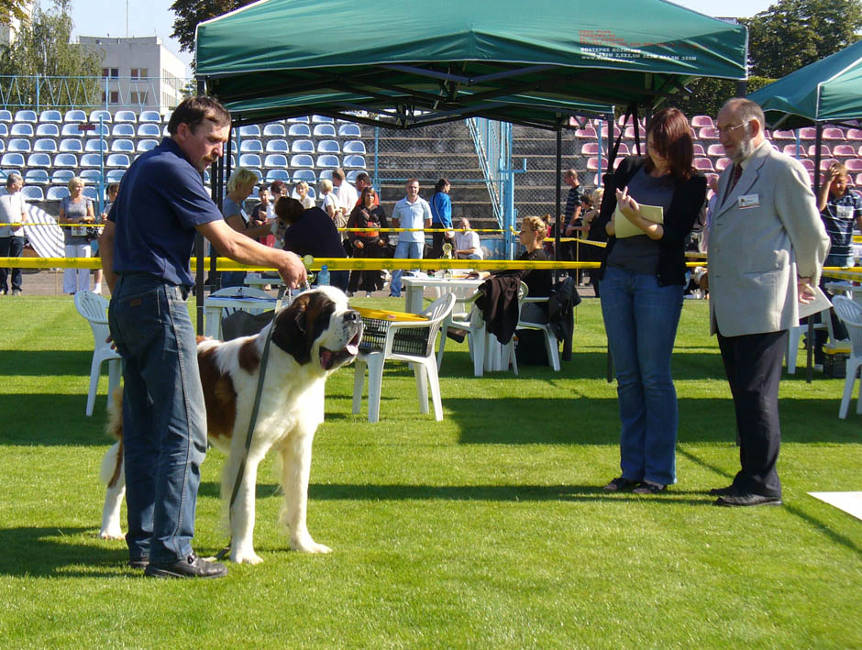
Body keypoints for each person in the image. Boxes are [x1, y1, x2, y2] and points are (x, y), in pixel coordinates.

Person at [99, 96, 307, 579]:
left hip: (130, 300)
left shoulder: (142, 165)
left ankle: (145, 546)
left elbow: (107, 239)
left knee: (145, 429)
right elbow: (228, 243)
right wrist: (283, 258)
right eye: (212, 139)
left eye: (223, 142)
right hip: (159, 299)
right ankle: (173, 552)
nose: (218, 150)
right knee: (187, 432)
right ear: (182, 131)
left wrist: (120, 299)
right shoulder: (176, 169)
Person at [707, 98, 829, 507]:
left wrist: (808, 276)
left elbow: (812, 234)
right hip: (731, 304)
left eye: (728, 128)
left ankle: (762, 484)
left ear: (754, 127)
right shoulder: (730, 173)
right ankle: (750, 476)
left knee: (757, 395)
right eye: (718, 129)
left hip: (763, 303)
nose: (721, 137)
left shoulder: (781, 169)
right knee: (744, 395)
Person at [596, 107, 706, 495]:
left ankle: (658, 473)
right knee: (628, 378)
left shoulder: (693, 183)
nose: (656, 152)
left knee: (654, 377)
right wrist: (620, 218)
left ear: (679, 146)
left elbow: (674, 236)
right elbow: (604, 227)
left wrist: (639, 220)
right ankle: (631, 470)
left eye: (663, 146)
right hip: (616, 278)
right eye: (652, 144)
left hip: (657, 284)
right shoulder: (629, 169)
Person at [814, 162, 862, 355]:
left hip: (846, 258)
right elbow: (818, 209)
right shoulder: (823, 195)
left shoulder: (855, 199)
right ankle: (823, 344)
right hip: (826, 256)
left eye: (840, 181)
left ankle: (843, 339)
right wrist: (826, 184)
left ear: (847, 180)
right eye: (834, 182)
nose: (838, 186)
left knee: (843, 301)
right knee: (826, 303)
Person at [274, 196, 349, 291]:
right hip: (343, 265)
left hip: (324, 274)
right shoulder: (317, 212)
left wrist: (281, 233)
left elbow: (286, 256)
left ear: (283, 217)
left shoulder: (292, 233)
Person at [221, 167, 274, 287]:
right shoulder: (231, 206)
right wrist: (267, 229)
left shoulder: (236, 205)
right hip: (231, 262)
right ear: (239, 186)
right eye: (250, 188)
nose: (251, 192)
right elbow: (241, 234)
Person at [389, 178, 432, 297]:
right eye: (411, 187)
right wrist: (403, 230)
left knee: (415, 269)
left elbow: (429, 221)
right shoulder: (399, 204)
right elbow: (394, 220)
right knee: (398, 267)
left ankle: (413, 294)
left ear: (418, 189)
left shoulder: (423, 204)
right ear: (406, 188)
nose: (413, 189)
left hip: (418, 241)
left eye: (415, 187)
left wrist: (419, 231)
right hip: (403, 240)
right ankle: (395, 293)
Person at [346, 186, 389, 296]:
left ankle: (369, 291)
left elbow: (385, 227)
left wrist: (383, 240)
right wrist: (355, 240)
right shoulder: (358, 209)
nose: (370, 197)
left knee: (372, 268)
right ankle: (351, 290)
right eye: (367, 195)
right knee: (357, 266)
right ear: (363, 196)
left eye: (372, 195)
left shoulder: (379, 209)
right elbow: (349, 226)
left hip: (375, 242)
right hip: (361, 241)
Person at [58, 176, 96, 294]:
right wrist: (71, 221)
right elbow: (61, 219)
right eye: (76, 187)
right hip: (69, 235)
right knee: (70, 264)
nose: (79, 189)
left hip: (83, 236)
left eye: (81, 187)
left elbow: (92, 217)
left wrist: (82, 219)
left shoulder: (87, 200)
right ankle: (70, 289)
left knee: (84, 264)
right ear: (71, 188)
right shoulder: (65, 201)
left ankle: (84, 289)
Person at [0, 172, 28, 296]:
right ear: (13, 184)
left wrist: (21, 223)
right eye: (20, 184)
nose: (21, 186)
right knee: (3, 262)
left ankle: (16, 288)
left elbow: (24, 213)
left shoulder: (20, 196)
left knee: (17, 261)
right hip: (2, 234)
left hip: (18, 234)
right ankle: (2, 287)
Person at [91, 182, 121, 294]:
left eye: (113, 193)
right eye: (110, 193)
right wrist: (103, 219)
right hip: (109, 238)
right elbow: (102, 221)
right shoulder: (108, 207)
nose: (111, 195)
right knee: (98, 259)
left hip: (119, 240)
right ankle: (97, 286)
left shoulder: (124, 206)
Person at [429, 178, 453, 259]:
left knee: (437, 246)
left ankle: (433, 262)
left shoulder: (433, 197)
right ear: (445, 186)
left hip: (434, 223)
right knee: (449, 247)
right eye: (449, 187)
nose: (449, 189)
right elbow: (444, 213)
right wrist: (447, 226)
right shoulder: (445, 197)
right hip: (443, 224)